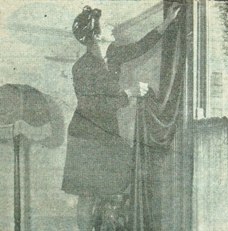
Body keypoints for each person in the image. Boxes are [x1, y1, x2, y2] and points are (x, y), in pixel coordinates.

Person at [62, 4, 180, 230]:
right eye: (105, 25)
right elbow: (91, 107)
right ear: (96, 35)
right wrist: (127, 94)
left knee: (113, 188)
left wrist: (166, 24)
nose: (111, 26)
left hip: (106, 134)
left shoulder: (113, 54)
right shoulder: (82, 67)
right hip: (85, 137)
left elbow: (139, 47)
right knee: (88, 196)